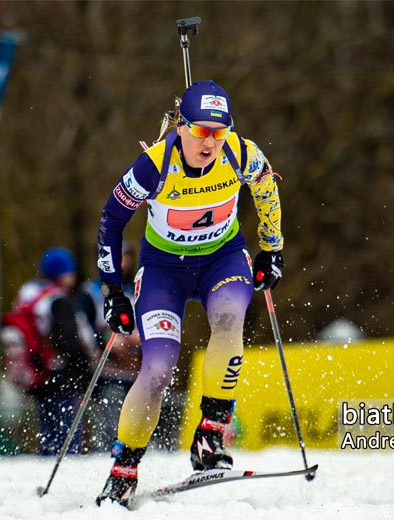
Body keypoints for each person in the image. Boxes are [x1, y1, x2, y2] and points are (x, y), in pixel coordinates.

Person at [94, 80, 284, 507]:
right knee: (159, 367)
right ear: (181, 126)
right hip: (164, 272)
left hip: (222, 260)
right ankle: (123, 469)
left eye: (219, 132)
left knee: (231, 320)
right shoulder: (153, 166)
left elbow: (267, 188)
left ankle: (210, 434)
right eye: (201, 131)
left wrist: (271, 248)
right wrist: (112, 290)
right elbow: (111, 220)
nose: (210, 142)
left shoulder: (241, 153)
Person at [14, 247, 94, 455]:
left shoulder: (28, 296)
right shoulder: (57, 300)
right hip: (61, 375)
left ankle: (46, 463)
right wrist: (84, 366)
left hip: (39, 372)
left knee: (47, 433)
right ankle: (64, 474)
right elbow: (69, 340)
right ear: (63, 273)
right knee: (66, 436)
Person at [79, 241, 142, 451]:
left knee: (139, 418)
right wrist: (106, 341)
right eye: (118, 256)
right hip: (107, 371)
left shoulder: (137, 288)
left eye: (125, 256)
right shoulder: (92, 291)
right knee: (109, 420)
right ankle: (105, 451)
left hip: (137, 370)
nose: (123, 261)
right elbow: (84, 329)